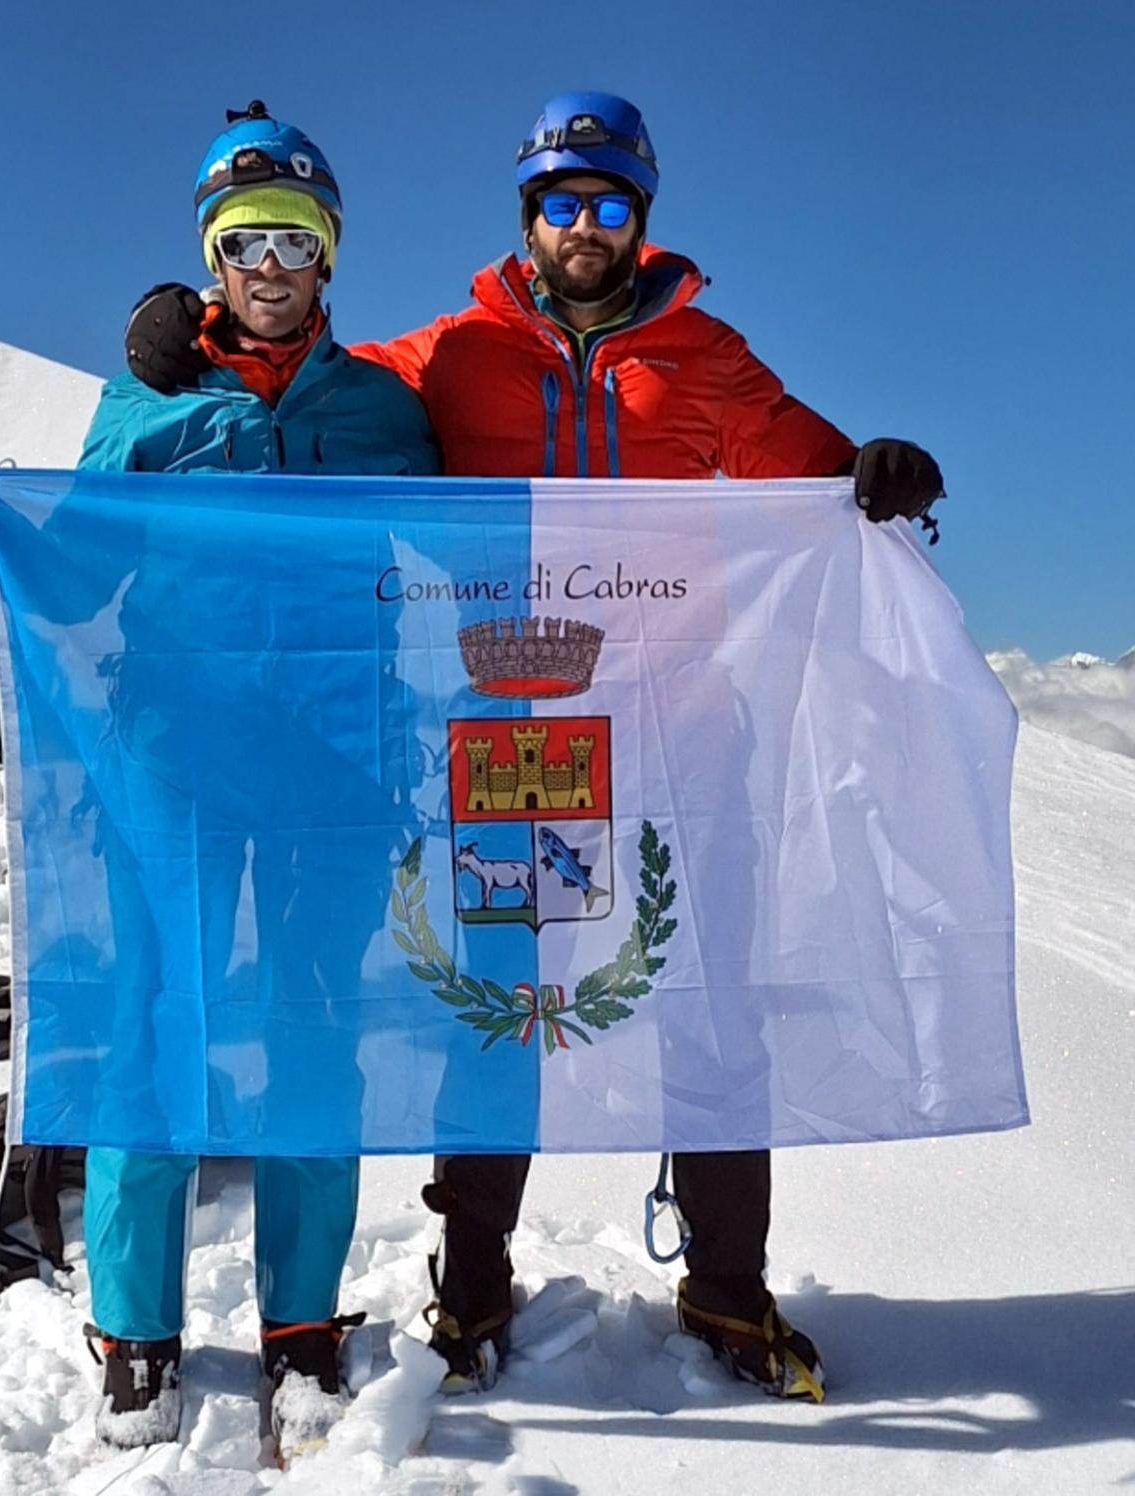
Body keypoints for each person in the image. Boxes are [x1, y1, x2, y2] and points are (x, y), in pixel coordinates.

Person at [128, 90, 948, 1407]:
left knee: (712, 1004)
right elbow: (306, 374)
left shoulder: (705, 353)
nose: (585, 225)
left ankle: (728, 1289)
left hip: (682, 732)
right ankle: (471, 1283)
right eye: (562, 202)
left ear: (642, 216)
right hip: (516, 741)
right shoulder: (451, 354)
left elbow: (804, 459)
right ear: (529, 215)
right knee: (501, 1009)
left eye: (610, 202)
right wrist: (180, 328)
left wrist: (873, 467)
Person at [0, 102, 438, 1457]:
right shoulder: (147, 402)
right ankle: (135, 1323)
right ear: (213, 260)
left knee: (312, 1026)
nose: (272, 264)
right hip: (175, 763)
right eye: (246, 240)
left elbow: (459, 553)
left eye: (298, 239)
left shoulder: (385, 409)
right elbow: (78, 558)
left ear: (331, 256)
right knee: (160, 1021)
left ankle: (302, 1322)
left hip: (333, 761)